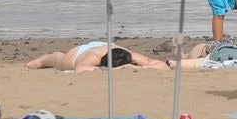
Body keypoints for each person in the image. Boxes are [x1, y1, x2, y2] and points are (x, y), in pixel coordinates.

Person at [24, 42, 170, 72]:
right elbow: (80, 69)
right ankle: (39, 61)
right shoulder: (93, 56)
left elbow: (162, 65)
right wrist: (115, 70)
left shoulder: (130, 55)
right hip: (79, 53)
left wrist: (143, 67)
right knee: (58, 59)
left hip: (110, 47)